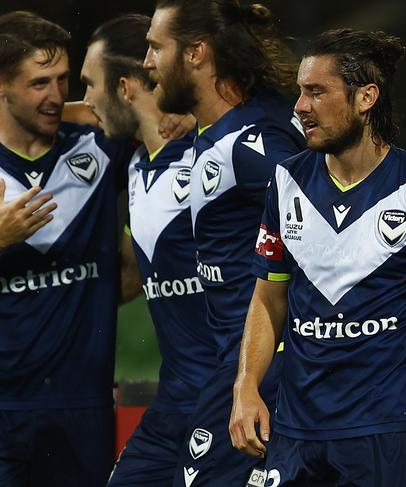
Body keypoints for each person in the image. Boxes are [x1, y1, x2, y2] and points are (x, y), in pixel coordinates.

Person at [0, 11, 134, 486]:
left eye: (63, 80)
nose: (56, 97)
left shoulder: (100, 147)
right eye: (39, 84)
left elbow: (161, 121)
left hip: (83, 409)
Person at [230, 28, 406, 486]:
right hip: (295, 430)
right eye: (300, 92)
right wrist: (246, 387)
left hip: (386, 430)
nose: (300, 107)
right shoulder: (286, 181)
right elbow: (267, 299)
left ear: (365, 98)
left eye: (316, 92)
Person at [143, 1, 306, 485]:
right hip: (243, 367)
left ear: (196, 53)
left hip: (263, 367)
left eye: (155, 48)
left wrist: (257, 379)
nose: (146, 61)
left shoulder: (249, 142)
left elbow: (327, 228)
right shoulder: (222, 128)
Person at [79, 14, 217, 486]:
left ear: (123, 87)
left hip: (229, 397)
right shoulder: (137, 163)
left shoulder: (213, 154)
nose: (84, 100)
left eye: (89, 85)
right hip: (174, 400)